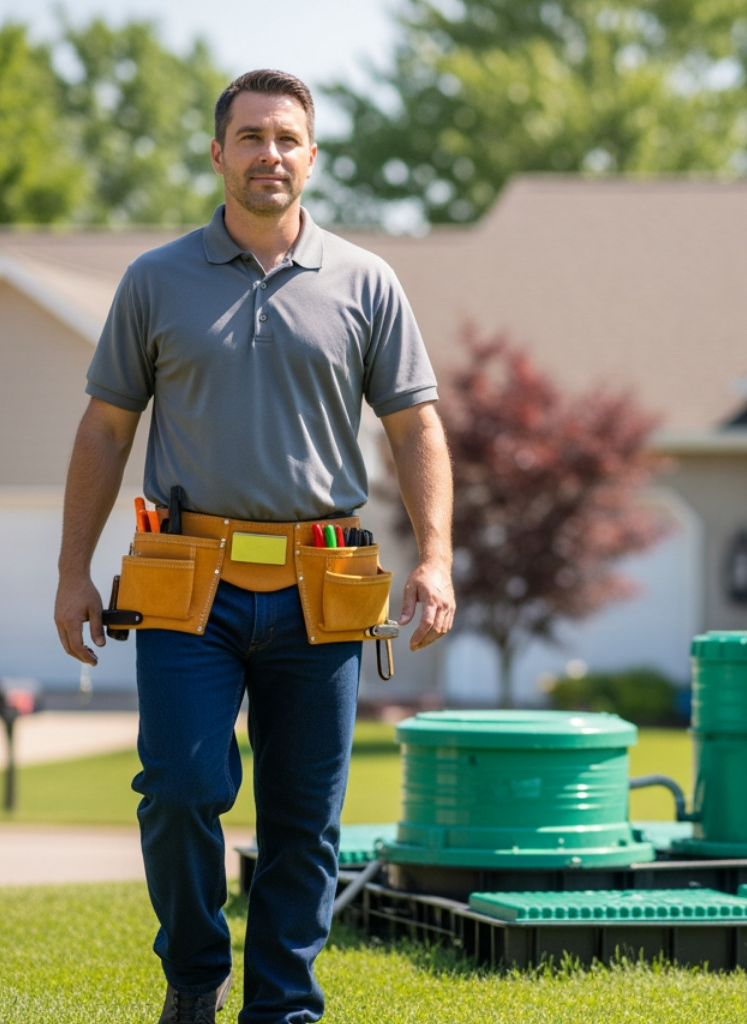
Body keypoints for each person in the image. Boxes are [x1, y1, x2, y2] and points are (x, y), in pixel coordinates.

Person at [53, 69, 454, 1024]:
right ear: (217, 153)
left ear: (312, 159)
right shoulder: (156, 281)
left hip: (325, 583)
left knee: (303, 826)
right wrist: (72, 570)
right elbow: (106, 429)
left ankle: (283, 1009)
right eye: (250, 138)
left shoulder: (367, 281)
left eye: (287, 139)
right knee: (183, 786)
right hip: (187, 582)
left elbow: (416, 430)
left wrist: (435, 555)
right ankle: (195, 973)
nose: (269, 155)